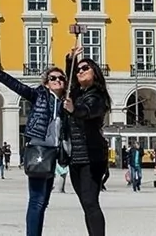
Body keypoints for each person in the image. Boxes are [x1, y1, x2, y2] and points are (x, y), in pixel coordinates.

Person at [0, 60, 67, 236]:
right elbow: (17, 87)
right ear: (46, 82)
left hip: (53, 151)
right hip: (38, 149)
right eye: (53, 78)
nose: (57, 80)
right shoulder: (39, 95)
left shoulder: (65, 102)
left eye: (61, 78)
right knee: (36, 200)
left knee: (44, 201)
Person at [64, 46, 111, 236]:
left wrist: (74, 110)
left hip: (93, 157)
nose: (80, 71)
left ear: (95, 73)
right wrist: (70, 60)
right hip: (76, 157)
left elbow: (89, 111)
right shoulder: (78, 93)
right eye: (79, 69)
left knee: (91, 203)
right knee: (86, 203)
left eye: (85, 68)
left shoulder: (98, 96)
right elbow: (70, 85)